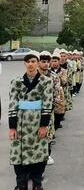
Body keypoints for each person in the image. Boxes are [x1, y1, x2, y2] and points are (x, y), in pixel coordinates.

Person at [8, 51, 53, 190]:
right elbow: (12, 103)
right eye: (28, 62)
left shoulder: (46, 81)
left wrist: (44, 126)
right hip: (21, 123)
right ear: (24, 64)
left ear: (38, 63)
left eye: (34, 61)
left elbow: (47, 103)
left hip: (38, 121)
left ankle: (37, 183)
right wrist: (12, 127)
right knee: (18, 155)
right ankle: (21, 183)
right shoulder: (16, 81)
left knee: (39, 154)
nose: (31, 64)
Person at [50, 52, 67, 130]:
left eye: (56, 61)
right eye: (53, 61)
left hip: (60, 92)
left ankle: (57, 124)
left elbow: (64, 82)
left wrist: (57, 78)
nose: (54, 63)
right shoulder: (48, 71)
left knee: (59, 111)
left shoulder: (63, 71)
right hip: (50, 92)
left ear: (59, 62)